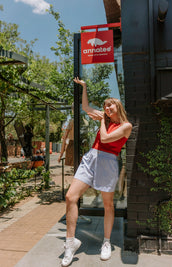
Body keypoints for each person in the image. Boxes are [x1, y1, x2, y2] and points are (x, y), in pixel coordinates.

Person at [61, 77, 132, 267]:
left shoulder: (126, 126)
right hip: (91, 158)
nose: (107, 109)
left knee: (108, 205)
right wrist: (84, 87)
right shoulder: (104, 118)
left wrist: (102, 120)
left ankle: (106, 242)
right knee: (70, 197)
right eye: (105, 107)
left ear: (118, 107)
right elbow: (85, 108)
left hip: (108, 162)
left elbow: (107, 138)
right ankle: (70, 243)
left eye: (110, 107)